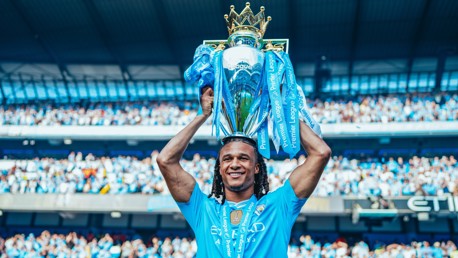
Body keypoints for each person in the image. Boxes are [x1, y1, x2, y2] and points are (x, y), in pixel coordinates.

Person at [157, 87, 331, 257]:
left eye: (243, 158)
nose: (234, 164)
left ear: (256, 167)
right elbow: (165, 160)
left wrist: (279, 110)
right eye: (227, 159)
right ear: (219, 168)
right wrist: (202, 116)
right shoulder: (203, 209)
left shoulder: (278, 206)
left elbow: (320, 153)